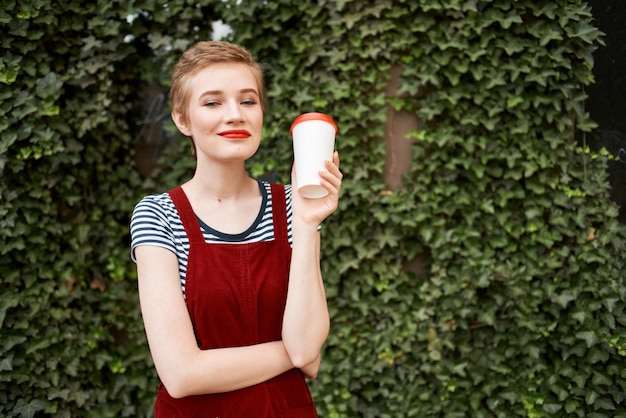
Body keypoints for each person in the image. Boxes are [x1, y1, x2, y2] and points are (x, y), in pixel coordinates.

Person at [130, 40, 342, 417]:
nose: (235, 115)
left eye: (248, 101)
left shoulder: (294, 205)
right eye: (213, 102)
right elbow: (181, 374)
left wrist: (308, 224)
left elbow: (308, 346)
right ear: (182, 119)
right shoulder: (159, 216)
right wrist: (290, 352)